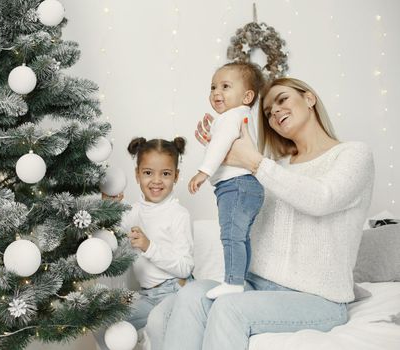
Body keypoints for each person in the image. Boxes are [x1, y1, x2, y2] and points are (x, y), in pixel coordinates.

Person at [148, 77, 374, 350]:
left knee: (229, 309)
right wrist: (220, 149)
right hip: (258, 286)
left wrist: (253, 162)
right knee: (186, 298)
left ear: (309, 99)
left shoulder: (353, 155)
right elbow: (243, 212)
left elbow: (321, 199)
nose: (274, 112)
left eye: (282, 100)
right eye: (267, 112)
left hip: (317, 299)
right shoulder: (276, 167)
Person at [96, 137, 194, 350]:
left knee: (159, 329)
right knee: (102, 321)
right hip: (147, 296)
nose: (156, 181)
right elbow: (110, 235)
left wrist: (150, 247)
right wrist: (108, 208)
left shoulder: (179, 215)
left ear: (176, 176)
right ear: (137, 174)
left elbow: (186, 267)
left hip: (174, 293)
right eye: (148, 172)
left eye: (165, 174)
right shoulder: (133, 212)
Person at [188, 62, 266, 299]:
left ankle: (232, 282)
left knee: (231, 235)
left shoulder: (231, 116)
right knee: (240, 236)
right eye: (213, 87)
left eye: (225, 86)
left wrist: (204, 172)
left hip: (236, 186)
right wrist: (211, 138)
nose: (216, 93)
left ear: (247, 96)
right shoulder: (240, 116)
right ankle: (240, 279)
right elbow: (224, 144)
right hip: (248, 186)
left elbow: (221, 146)